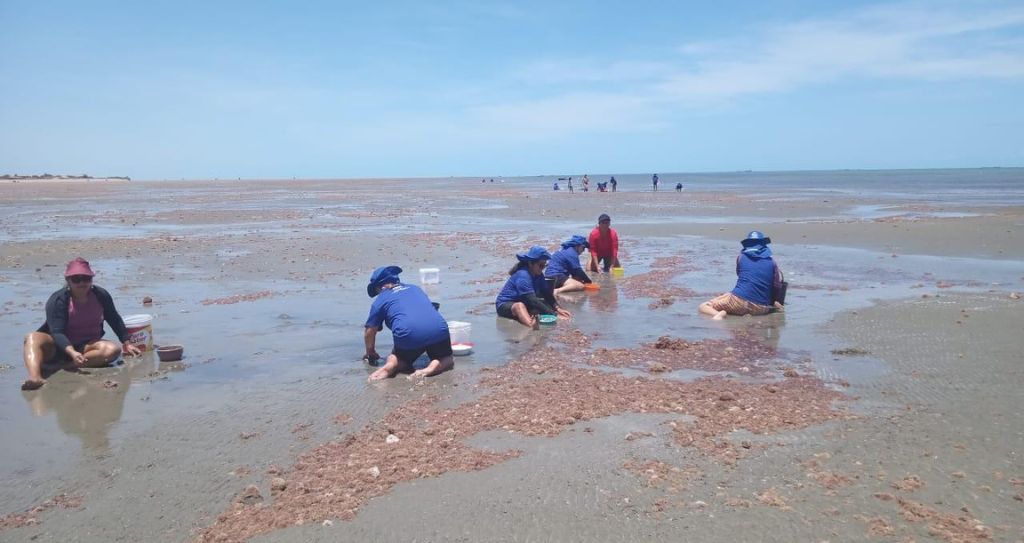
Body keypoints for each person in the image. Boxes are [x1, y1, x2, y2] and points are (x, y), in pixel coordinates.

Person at [21, 257, 142, 391]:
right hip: (56, 347)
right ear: (68, 280)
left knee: (113, 350)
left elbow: (114, 318)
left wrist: (126, 342)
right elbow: (57, 332)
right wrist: (71, 352)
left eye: (86, 278)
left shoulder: (101, 295)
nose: (82, 283)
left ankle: (65, 366)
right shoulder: (58, 300)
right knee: (32, 337)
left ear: (92, 279)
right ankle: (35, 377)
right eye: (76, 279)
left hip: (86, 347)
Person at [363, 266, 454, 380]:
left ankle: (391, 365)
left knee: (398, 357)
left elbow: (370, 330)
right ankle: (431, 368)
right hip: (438, 329)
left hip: (409, 334)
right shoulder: (415, 288)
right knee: (446, 358)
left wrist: (370, 351)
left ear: (380, 287)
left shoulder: (380, 301)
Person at [699, 231, 786, 320]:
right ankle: (745, 311)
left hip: (738, 302)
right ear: (764, 245)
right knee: (729, 294)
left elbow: (742, 277)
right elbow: (776, 286)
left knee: (703, 306)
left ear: (747, 244)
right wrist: (773, 302)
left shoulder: (741, 257)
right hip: (761, 308)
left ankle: (719, 314)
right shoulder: (772, 262)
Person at [495, 246, 571, 328]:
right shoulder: (523, 275)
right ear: (530, 263)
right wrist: (554, 315)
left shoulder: (539, 275)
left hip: (524, 301)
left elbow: (546, 294)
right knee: (519, 306)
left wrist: (558, 308)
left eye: (544, 266)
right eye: (540, 266)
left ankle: (529, 316)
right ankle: (531, 326)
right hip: (504, 305)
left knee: (542, 305)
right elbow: (531, 299)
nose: (542, 269)